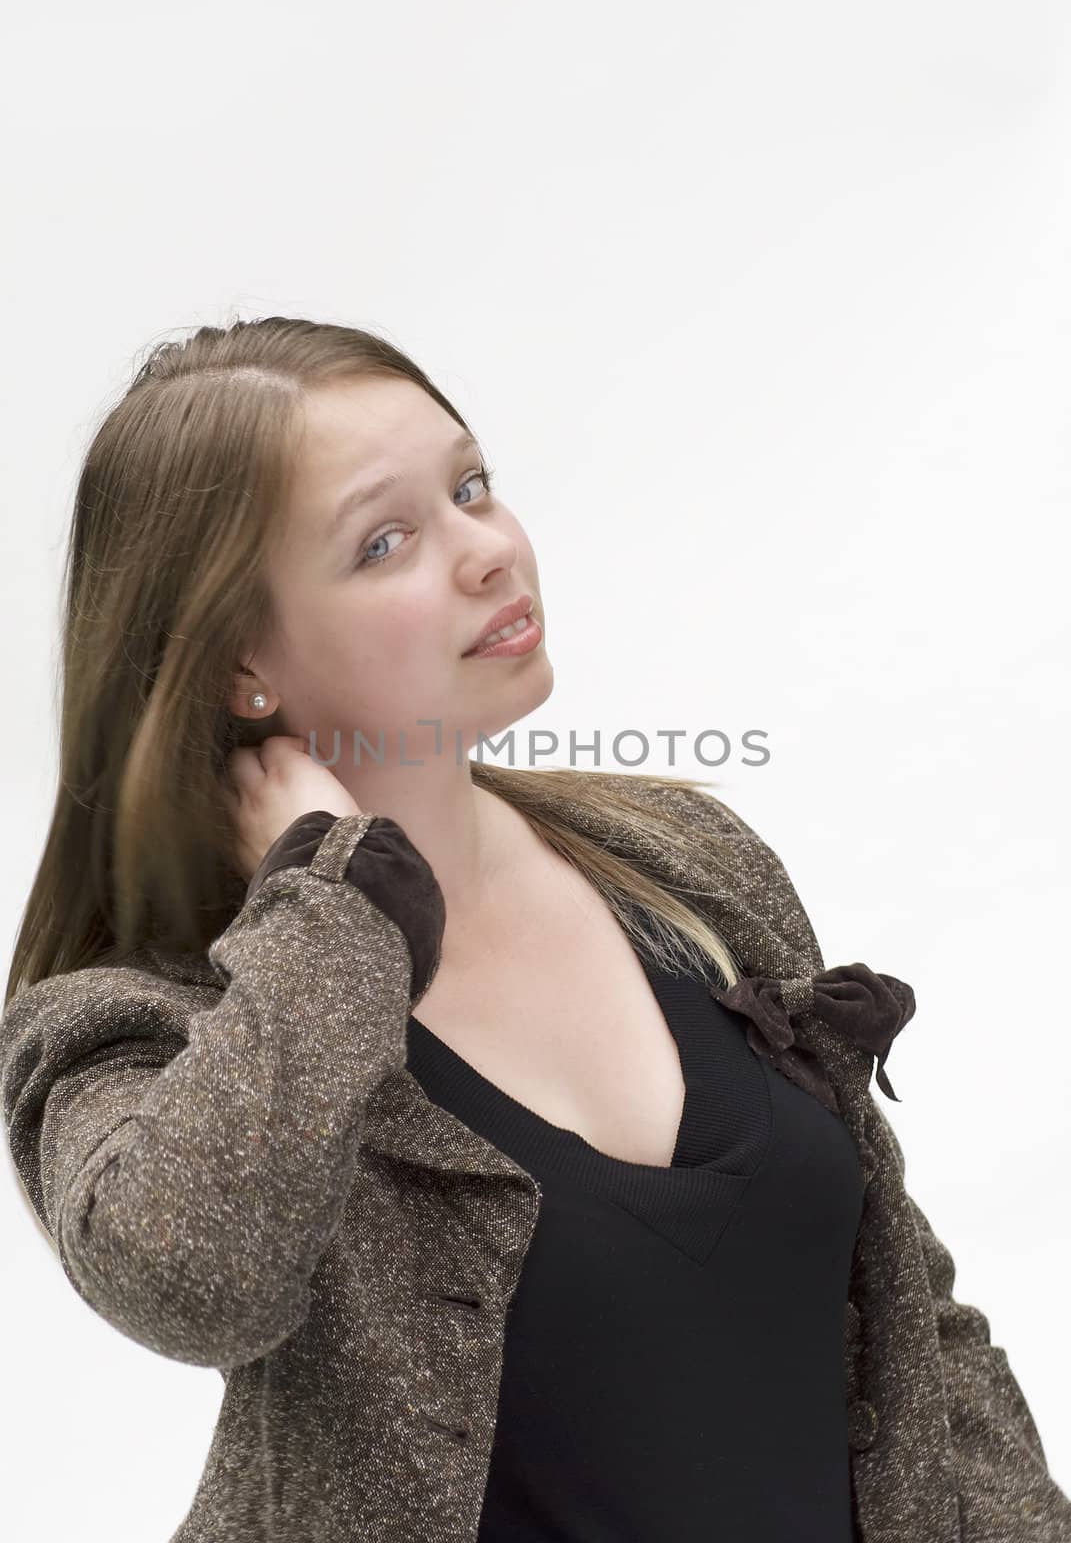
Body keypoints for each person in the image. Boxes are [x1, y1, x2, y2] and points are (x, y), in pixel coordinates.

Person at [2, 316, 1067, 1543]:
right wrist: (333, 906)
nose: (488, 554)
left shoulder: (684, 864)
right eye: (385, 540)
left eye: (472, 487)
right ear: (244, 664)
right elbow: (199, 1285)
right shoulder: (141, 1026)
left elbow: (905, 1318)